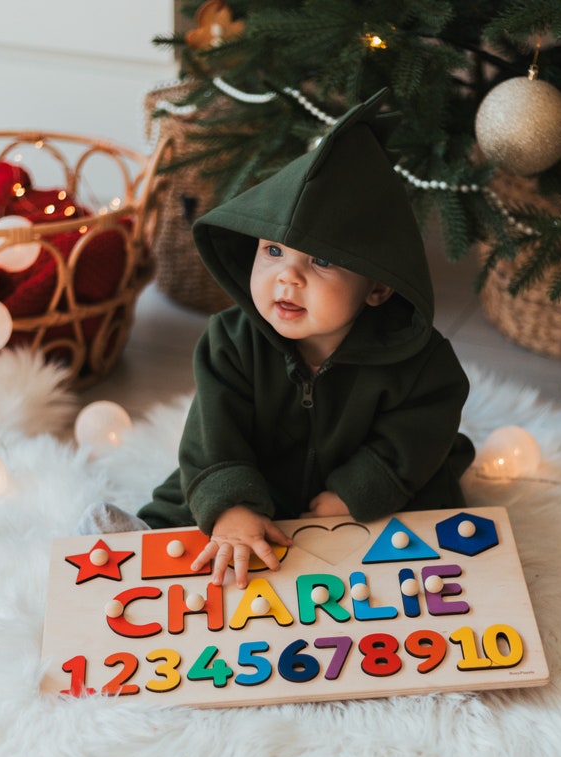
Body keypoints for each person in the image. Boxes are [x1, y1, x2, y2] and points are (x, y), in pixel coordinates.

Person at [78, 89, 475, 589]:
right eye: (272, 251)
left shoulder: (420, 360)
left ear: (377, 286)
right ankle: (137, 542)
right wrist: (233, 507)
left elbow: (422, 428)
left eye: (321, 261)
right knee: (196, 497)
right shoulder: (231, 340)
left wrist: (357, 491)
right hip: (257, 471)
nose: (288, 279)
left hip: (362, 479)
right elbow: (213, 433)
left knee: (419, 518)